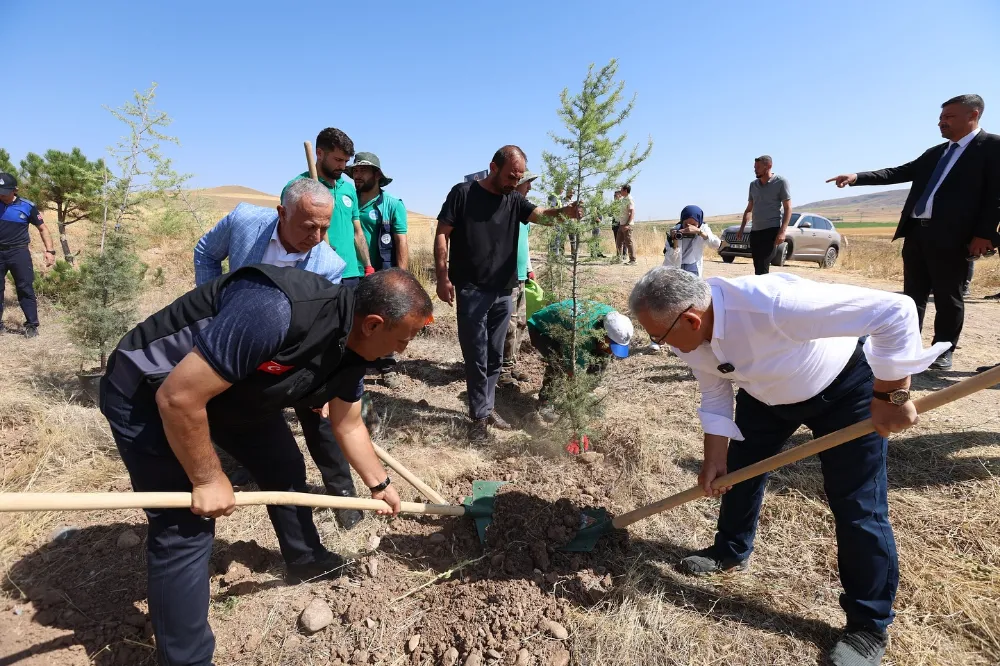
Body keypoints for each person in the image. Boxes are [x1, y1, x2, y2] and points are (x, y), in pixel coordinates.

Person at [100, 265, 430, 666]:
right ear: (374, 324)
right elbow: (179, 399)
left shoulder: (355, 345)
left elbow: (347, 422)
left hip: (230, 392)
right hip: (151, 390)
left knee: (283, 465)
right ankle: (186, 660)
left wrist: (380, 484)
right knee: (184, 528)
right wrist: (207, 478)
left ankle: (305, 557)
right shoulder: (277, 310)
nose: (403, 350)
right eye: (403, 339)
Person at [629, 266, 950, 666]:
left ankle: (868, 625)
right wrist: (716, 457)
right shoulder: (689, 332)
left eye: (659, 336)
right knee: (738, 475)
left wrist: (890, 393)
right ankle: (730, 550)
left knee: (857, 505)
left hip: (843, 388)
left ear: (692, 319)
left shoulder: (774, 306)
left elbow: (895, 311)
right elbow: (714, 388)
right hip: (764, 398)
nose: (658, 343)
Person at [193, 180, 367, 529]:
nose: (317, 237)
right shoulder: (243, 221)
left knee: (318, 415)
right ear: (282, 214)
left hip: (293, 346)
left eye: (325, 228)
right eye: (308, 227)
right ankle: (251, 463)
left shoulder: (328, 265)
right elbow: (206, 252)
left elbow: (324, 327)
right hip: (239, 340)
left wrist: (324, 382)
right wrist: (214, 306)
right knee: (242, 407)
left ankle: (342, 496)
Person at [827, 94, 1000, 370]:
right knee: (911, 297)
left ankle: (942, 350)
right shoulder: (937, 152)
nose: (941, 122)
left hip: (955, 237)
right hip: (917, 233)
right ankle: (907, 346)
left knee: (948, 296)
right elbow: (898, 172)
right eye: (941, 117)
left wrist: (986, 234)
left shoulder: (992, 147)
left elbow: (996, 195)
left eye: (949, 117)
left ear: (973, 115)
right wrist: (857, 177)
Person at [434, 145, 580, 441]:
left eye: (519, 178)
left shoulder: (514, 200)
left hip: (504, 291)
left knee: (494, 356)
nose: (515, 183)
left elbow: (543, 215)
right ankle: (478, 417)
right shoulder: (462, 194)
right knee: (476, 354)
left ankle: (485, 408)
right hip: (472, 289)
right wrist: (441, 276)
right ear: (493, 167)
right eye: (511, 176)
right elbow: (442, 233)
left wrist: (566, 213)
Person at [349, 151, 409, 389]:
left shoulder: (392, 204)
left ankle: (387, 365)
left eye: (362, 170)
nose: (357, 175)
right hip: (351, 271)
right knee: (354, 319)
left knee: (385, 319)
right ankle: (357, 365)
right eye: (354, 171)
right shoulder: (347, 200)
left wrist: (401, 277)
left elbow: (401, 241)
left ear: (377, 174)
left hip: (382, 272)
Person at [283, 127, 372, 286]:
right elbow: (286, 234)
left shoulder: (349, 189)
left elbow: (357, 233)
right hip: (315, 275)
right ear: (319, 153)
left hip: (351, 274)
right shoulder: (297, 188)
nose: (343, 167)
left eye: (345, 161)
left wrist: (368, 266)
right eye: (338, 160)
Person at [526, 298, 633, 423]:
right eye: (612, 346)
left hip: (574, 329)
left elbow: (606, 350)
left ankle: (588, 392)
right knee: (559, 365)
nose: (612, 352)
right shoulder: (581, 335)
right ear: (603, 334)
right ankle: (546, 402)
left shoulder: (616, 322)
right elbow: (572, 371)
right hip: (542, 328)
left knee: (602, 354)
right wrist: (576, 400)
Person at [0, 173, 56, 337]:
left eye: (5, 191)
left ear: (15, 190)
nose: (2, 194)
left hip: (19, 252)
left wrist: (50, 251)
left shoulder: (27, 206)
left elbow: (43, 228)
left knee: (25, 288)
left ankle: (32, 325)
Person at [499, 171, 538, 388]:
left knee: (521, 323)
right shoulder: (506, 211)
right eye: (527, 184)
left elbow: (525, 245)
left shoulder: (526, 215)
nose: (529, 188)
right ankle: (502, 369)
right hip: (507, 277)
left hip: (522, 275)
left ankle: (512, 364)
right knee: (508, 324)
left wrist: (530, 269)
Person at [736, 155, 792, 275]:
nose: (755, 170)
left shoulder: (781, 182)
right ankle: (760, 291)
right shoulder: (753, 185)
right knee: (757, 264)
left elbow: (788, 208)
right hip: (755, 231)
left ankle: (764, 292)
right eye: (754, 167)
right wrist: (741, 229)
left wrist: (782, 231)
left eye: (758, 167)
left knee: (764, 263)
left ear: (769, 166)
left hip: (771, 230)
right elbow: (749, 209)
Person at [663, 205, 721, 277]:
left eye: (693, 224)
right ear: (682, 221)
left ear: (699, 223)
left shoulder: (703, 228)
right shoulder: (675, 230)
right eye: (686, 224)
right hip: (676, 266)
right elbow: (670, 258)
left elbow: (716, 245)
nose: (689, 228)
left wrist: (700, 232)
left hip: (693, 265)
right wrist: (675, 241)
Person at [616, 184, 636, 264]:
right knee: (618, 242)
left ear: (625, 191)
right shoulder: (623, 199)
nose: (620, 191)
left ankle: (633, 260)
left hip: (627, 224)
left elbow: (632, 213)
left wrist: (627, 225)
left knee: (628, 242)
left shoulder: (629, 200)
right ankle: (618, 259)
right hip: (621, 224)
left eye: (621, 190)